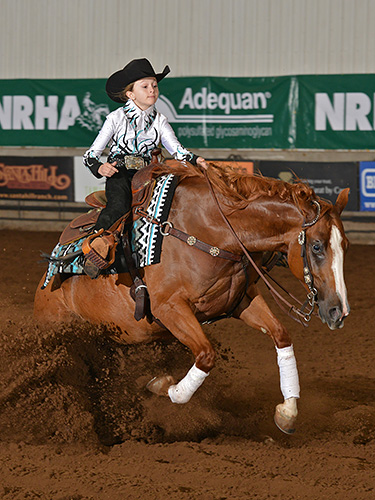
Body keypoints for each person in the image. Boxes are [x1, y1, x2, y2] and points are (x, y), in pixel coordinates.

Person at [82, 58, 208, 277]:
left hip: (149, 175)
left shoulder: (160, 120)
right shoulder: (115, 119)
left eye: (154, 86)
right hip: (120, 174)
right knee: (119, 206)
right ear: (130, 94)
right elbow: (90, 155)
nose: (152, 90)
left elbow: (176, 150)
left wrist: (195, 160)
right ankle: (93, 250)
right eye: (145, 86)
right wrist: (100, 168)